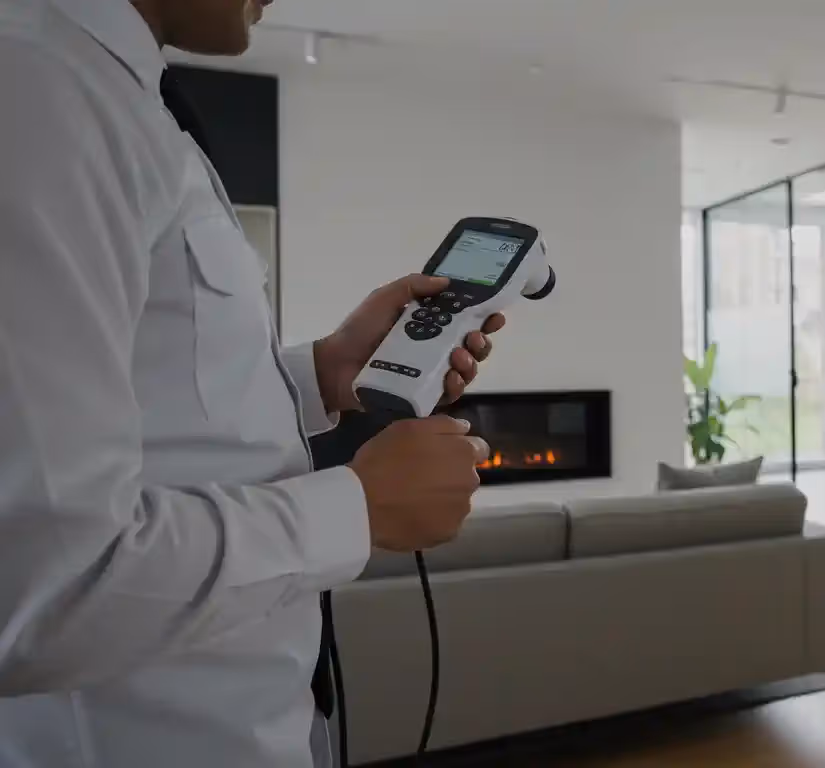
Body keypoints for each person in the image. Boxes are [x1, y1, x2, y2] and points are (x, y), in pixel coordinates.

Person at [0, 0, 505, 765]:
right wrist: (357, 507)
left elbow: (155, 403)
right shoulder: (40, 89)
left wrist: (320, 371)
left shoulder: (116, 93)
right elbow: (40, 590)